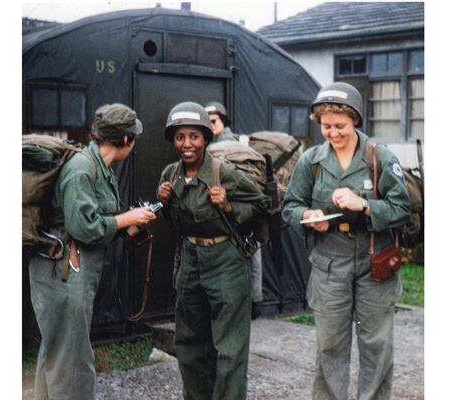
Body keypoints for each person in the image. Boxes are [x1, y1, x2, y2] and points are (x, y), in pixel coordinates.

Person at [281, 82, 410, 400]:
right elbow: (290, 206)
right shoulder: (310, 161)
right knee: (329, 346)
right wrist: (307, 216)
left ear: (355, 120)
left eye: (340, 125)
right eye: (326, 126)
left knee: (377, 345)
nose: (333, 133)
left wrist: (364, 204)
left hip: (373, 257)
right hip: (329, 260)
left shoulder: (379, 157)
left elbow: (402, 208)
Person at [29, 103, 157, 400]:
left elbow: (95, 217)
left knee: (59, 351)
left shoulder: (100, 167)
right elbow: (82, 227)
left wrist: (129, 223)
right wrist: (128, 218)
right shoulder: (83, 169)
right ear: (125, 140)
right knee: (72, 359)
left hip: (68, 268)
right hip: (62, 271)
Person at [157, 101, 268, 400]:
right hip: (190, 261)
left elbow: (262, 206)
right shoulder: (170, 174)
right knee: (190, 344)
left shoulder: (224, 173)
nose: (187, 144)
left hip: (226, 261)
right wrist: (163, 202)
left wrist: (230, 205)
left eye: (194, 136)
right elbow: (174, 220)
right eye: (180, 137)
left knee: (230, 349)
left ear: (206, 137)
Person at [205, 100, 264, 319]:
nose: (210, 126)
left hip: (236, 207)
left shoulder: (224, 145)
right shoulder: (219, 143)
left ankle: (249, 303)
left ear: (223, 122)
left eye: (213, 121)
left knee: (246, 253)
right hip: (238, 207)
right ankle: (252, 302)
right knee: (251, 251)